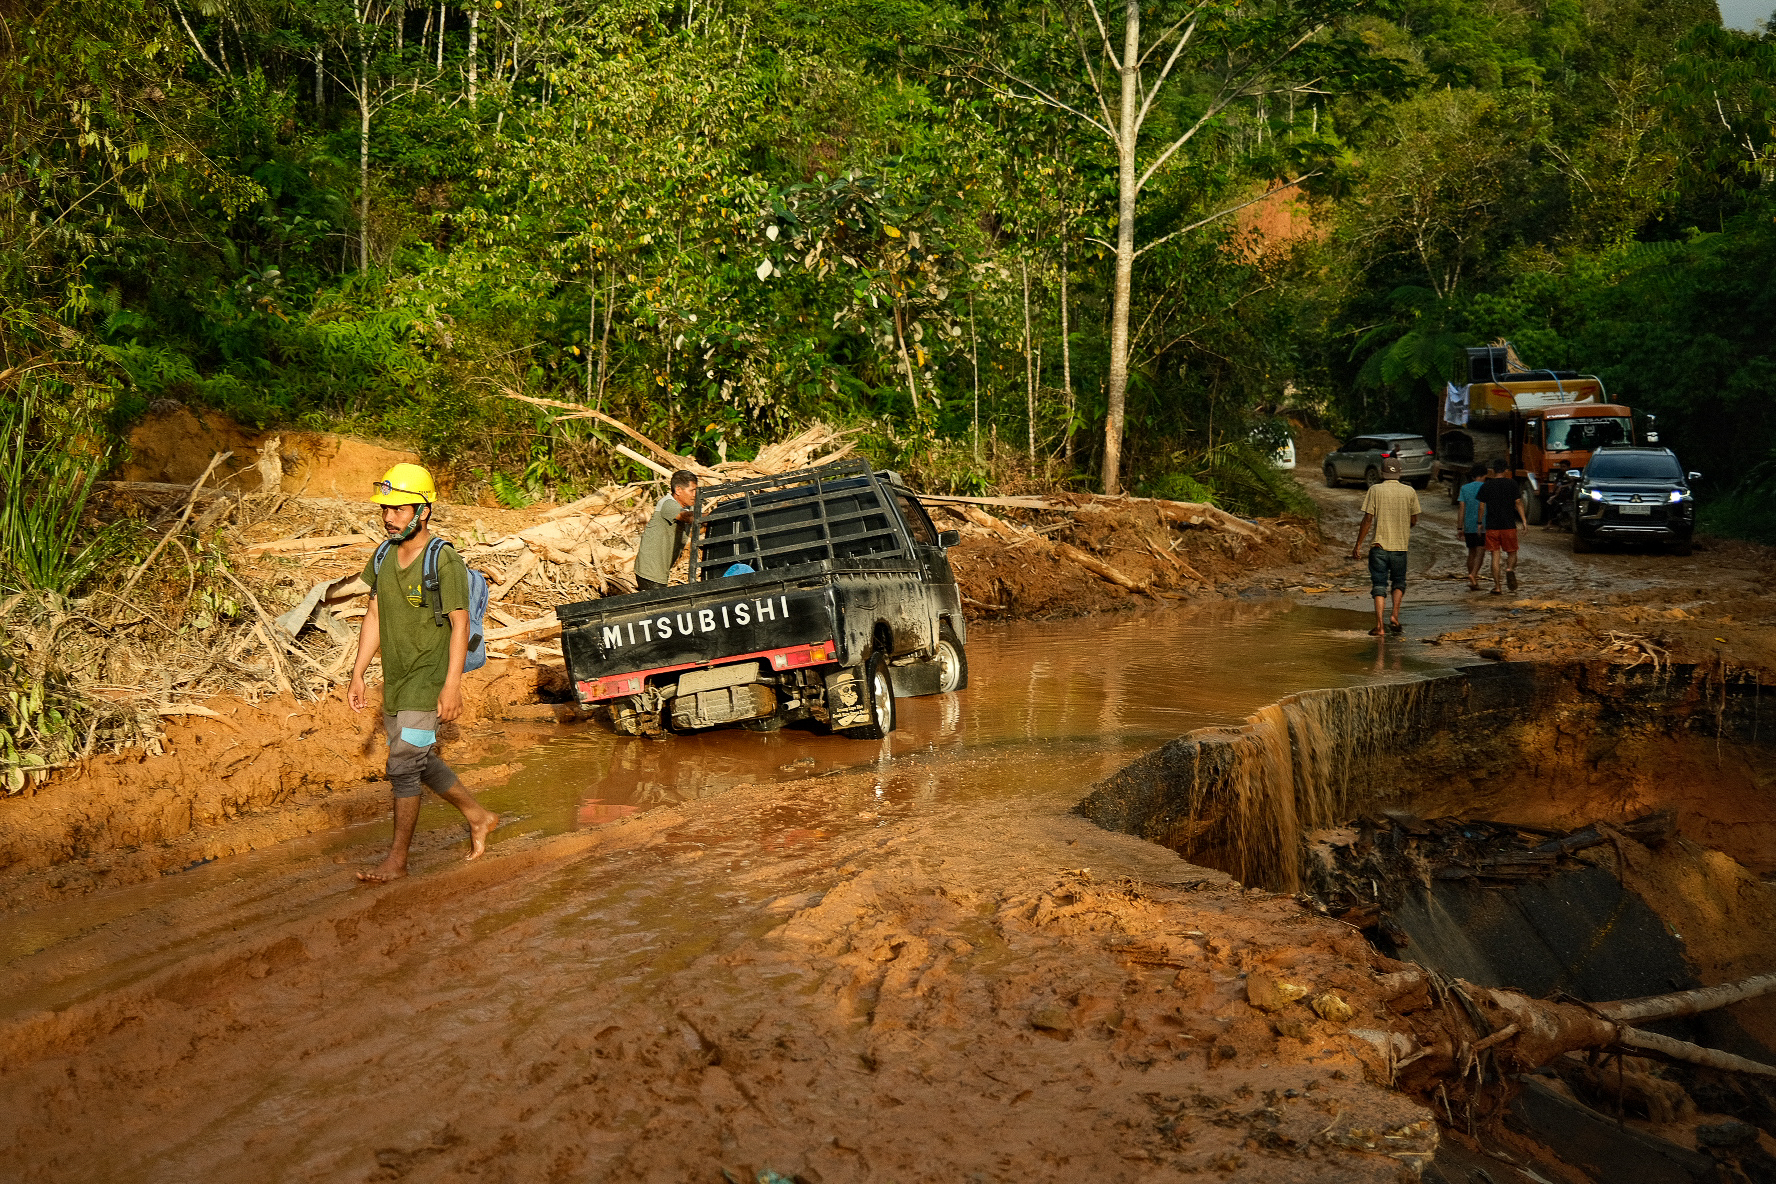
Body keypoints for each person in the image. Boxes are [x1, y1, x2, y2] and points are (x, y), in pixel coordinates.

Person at [348, 463, 499, 882]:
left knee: (401, 767)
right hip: (396, 677)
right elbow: (374, 611)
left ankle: (396, 861)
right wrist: (358, 672)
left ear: (423, 511)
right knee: (418, 759)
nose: (389, 517)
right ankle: (479, 815)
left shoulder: (444, 559)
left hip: (428, 677)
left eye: (399, 509)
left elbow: (460, 623)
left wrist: (451, 686)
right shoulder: (381, 555)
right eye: (386, 509)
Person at [1349, 456, 1422, 636]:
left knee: (1379, 585)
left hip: (1379, 547)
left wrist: (1358, 544)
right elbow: (1414, 520)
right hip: (1400, 548)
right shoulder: (1409, 491)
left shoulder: (1375, 490)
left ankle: (1380, 626)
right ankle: (1395, 616)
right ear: (1400, 472)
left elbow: (1367, 519)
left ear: (1382, 473)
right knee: (1399, 582)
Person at [634, 469, 699, 590]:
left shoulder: (684, 507)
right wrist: (712, 515)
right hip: (650, 571)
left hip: (657, 570)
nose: (695, 494)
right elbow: (687, 517)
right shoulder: (668, 504)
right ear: (678, 490)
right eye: (692, 490)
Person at [1477, 458, 1526, 595]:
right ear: (1506, 470)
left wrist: (1480, 523)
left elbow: (1481, 506)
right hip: (1508, 525)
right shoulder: (1512, 484)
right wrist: (1524, 521)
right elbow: (1518, 502)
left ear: (1492, 471)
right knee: (1512, 552)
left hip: (1492, 526)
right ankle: (1509, 569)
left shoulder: (1486, 485)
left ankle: (1497, 587)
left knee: (1495, 556)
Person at [1456, 463, 1487, 591]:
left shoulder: (1464, 488)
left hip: (1468, 525)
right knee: (1481, 551)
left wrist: (1459, 527)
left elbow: (1461, 508)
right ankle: (1473, 575)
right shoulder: (1486, 487)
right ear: (1484, 475)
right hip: (1483, 524)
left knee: (1471, 552)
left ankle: (1473, 581)